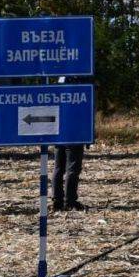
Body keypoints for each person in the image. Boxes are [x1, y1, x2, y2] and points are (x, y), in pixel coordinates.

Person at [52, 75, 87, 211]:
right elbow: (83, 112)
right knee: (72, 168)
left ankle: (57, 201)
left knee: (58, 168)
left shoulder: (57, 88)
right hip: (74, 133)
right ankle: (70, 201)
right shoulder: (79, 91)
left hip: (58, 132)